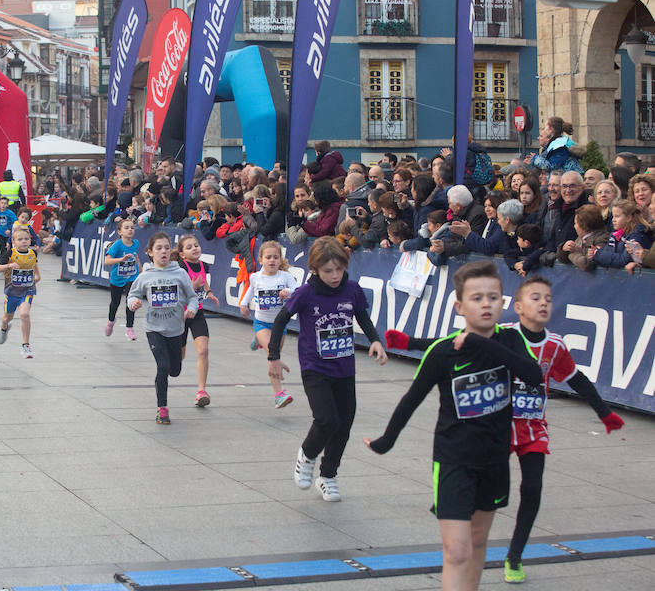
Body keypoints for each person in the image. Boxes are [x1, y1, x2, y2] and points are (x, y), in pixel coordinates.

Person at [385, 276, 625, 584]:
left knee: (533, 487)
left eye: (548, 299)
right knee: (476, 509)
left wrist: (604, 413)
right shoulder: (504, 335)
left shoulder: (555, 345)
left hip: (533, 428)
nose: (543, 304)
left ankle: (515, 555)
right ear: (519, 307)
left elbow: (576, 379)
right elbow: (452, 343)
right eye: (536, 298)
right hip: (499, 425)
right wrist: (410, 343)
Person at [365, 261, 543, 591]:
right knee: (457, 550)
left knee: (477, 544)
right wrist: (387, 439)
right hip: (453, 461)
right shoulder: (442, 351)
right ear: (460, 306)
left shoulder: (511, 341)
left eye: (493, 297)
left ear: (503, 303)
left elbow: (534, 376)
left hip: (494, 461)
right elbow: (412, 398)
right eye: (477, 298)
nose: (486, 304)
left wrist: (481, 344)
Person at [268, 237, 387, 502]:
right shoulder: (306, 293)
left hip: (345, 368)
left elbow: (363, 317)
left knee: (344, 425)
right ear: (315, 270)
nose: (334, 276)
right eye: (327, 271)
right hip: (315, 367)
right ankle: (306, 456)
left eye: (339, 269)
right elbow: (280, 321)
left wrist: (376, 340)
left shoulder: (352, 290)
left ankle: (328, 476)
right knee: (326, 419)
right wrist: (273, 356)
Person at [127, 233, 199, 425]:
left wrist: (191, 308)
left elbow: (192, 296)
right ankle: (162, 408)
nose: (164, 251)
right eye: (158, 248)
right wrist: (133, 302)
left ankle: (167, 382)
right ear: (150, 253)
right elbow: (132, 295)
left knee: (175, 370)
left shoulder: (180, 273)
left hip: (175, 329)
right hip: (154, 328)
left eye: (167, 247)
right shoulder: (145, 276)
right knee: (163, 367)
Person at [240, 241, 299, 408]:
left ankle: (258, 341)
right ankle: (279, 394)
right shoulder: (256, 277)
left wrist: (288, 292)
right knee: (273, 356)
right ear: (261, 260)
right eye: (268, 257)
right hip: (261, 322)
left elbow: (298, 291)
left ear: (280, 260)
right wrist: (244, 304)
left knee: (274, 354)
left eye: (275, 257)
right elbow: (250, 290)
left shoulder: (285, 277)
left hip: (280, 325)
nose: (272, 260)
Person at [174, 235, 219, 407]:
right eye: (189, 247)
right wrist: (191, 289)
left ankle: (201, 391)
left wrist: (209, 293)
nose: (195, 248)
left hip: (197, 313)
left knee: (203, 351)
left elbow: (204, 281)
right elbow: (178, 290)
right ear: (182, 254)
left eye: (197, 245)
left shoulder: (203, 265)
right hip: (182, 314)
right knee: (180, 355)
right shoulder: (180, 268)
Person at [0, 228, 40, 359]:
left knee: (25, 314)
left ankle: (26, 346)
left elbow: (37, 275)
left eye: (26, 239)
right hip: (12, 292)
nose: (24, 241)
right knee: (6, 318)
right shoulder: (10, 254)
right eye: (20, 239)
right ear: (14, 242)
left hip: (27, 290)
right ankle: (4, 328)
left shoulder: (33, 253)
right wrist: (8, 266)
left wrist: (33, 279)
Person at [103, 219, 140, 341]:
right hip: (117, 279)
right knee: (115, 303)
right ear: (120, 231)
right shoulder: (117, 246)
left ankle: (129, 328)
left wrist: (140, 270)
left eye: (132, 227)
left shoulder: (136, 243)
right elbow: (107, 261)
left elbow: (135, 256)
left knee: (131, 302)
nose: (130, 229)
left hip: (131, 277)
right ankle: (110, 322)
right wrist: (121, 260)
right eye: (127, 228)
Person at [591, 199, 653, 269]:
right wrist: (597, 252)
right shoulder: (615, 235)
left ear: (629, 218)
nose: (613, 220)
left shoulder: (638, 235)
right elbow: (610, 254)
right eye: (613, 216)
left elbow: (623, 261)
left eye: (617, 216)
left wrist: (598, 254)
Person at [557, 204, 609, 271]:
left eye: (576, 223)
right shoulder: (580, 238)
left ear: (584, 226)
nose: (574, 226)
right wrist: (564, 249)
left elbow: (587, 264)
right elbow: (563, 259)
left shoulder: (602, 239)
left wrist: (571, 253)